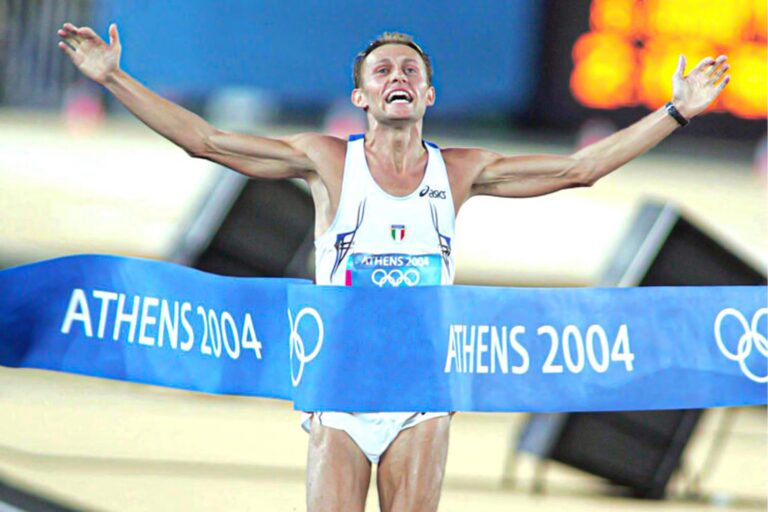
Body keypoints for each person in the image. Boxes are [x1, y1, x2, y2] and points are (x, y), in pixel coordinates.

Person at [57, 22, 730, 512]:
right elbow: (205, 142)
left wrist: (674, 112)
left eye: (410, 70)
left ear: (430, 95)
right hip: (342, 389)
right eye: (383, 71)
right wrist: (113, 77)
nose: (398, 78)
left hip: (419, 390)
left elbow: (580, 169)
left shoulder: (461, 171)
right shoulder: (328, 161)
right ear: (361, 98)